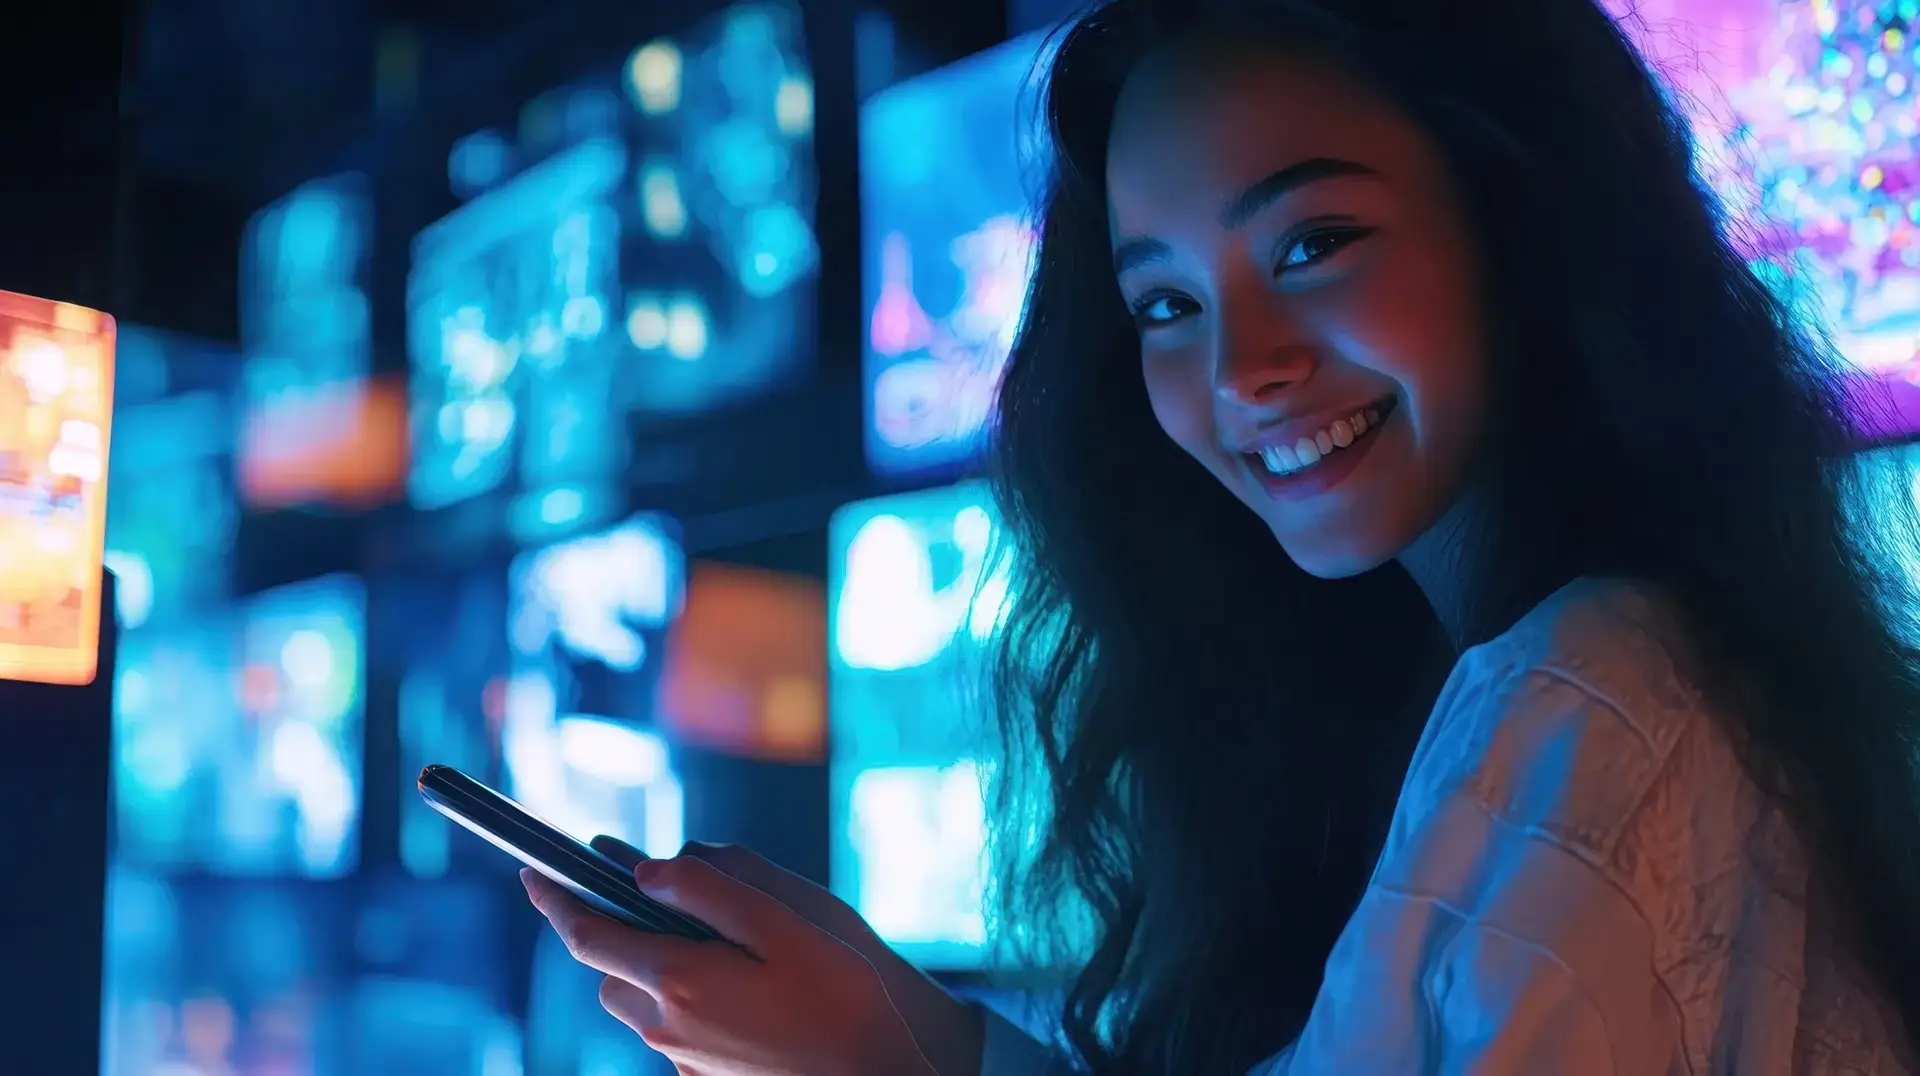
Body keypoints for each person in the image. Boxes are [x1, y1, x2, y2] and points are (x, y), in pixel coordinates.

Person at [518, 0, 1920, 1070]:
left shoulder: (1592, 691)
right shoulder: (1565, 676)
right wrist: (915, 1038)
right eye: (1166, 305)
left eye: (1313, 244)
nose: (1241, 367)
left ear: (1521, 216)